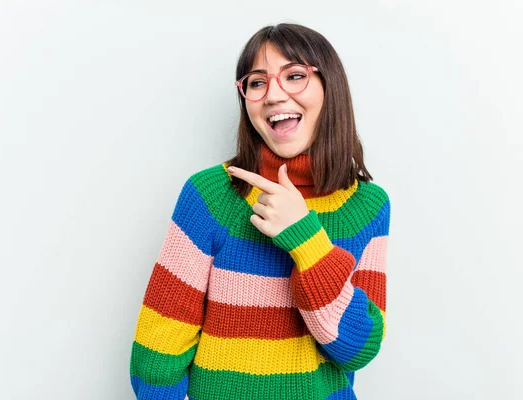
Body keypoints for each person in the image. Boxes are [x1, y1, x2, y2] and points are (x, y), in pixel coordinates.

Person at [129, 22, 391, 400]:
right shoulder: (211, 196)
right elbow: (157, 354)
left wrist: (307, 240)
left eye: (295, 75)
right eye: (256, 82)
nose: (274, 95)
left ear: (329, 88)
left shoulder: (367, 206)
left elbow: (356, 349)